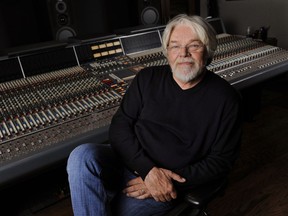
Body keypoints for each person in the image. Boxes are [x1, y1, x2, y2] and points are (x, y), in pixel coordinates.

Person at [67, 14, 242, 216]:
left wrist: (163, 181)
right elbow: (119, 127)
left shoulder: (226, 99)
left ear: (208, 50)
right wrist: (148, 171)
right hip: (129, 162)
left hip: (166, 182)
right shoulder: (147, 78)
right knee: (81, 156)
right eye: (175, 46)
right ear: (167, 52)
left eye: (194, 46)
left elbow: (220, 162)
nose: (183, 53)